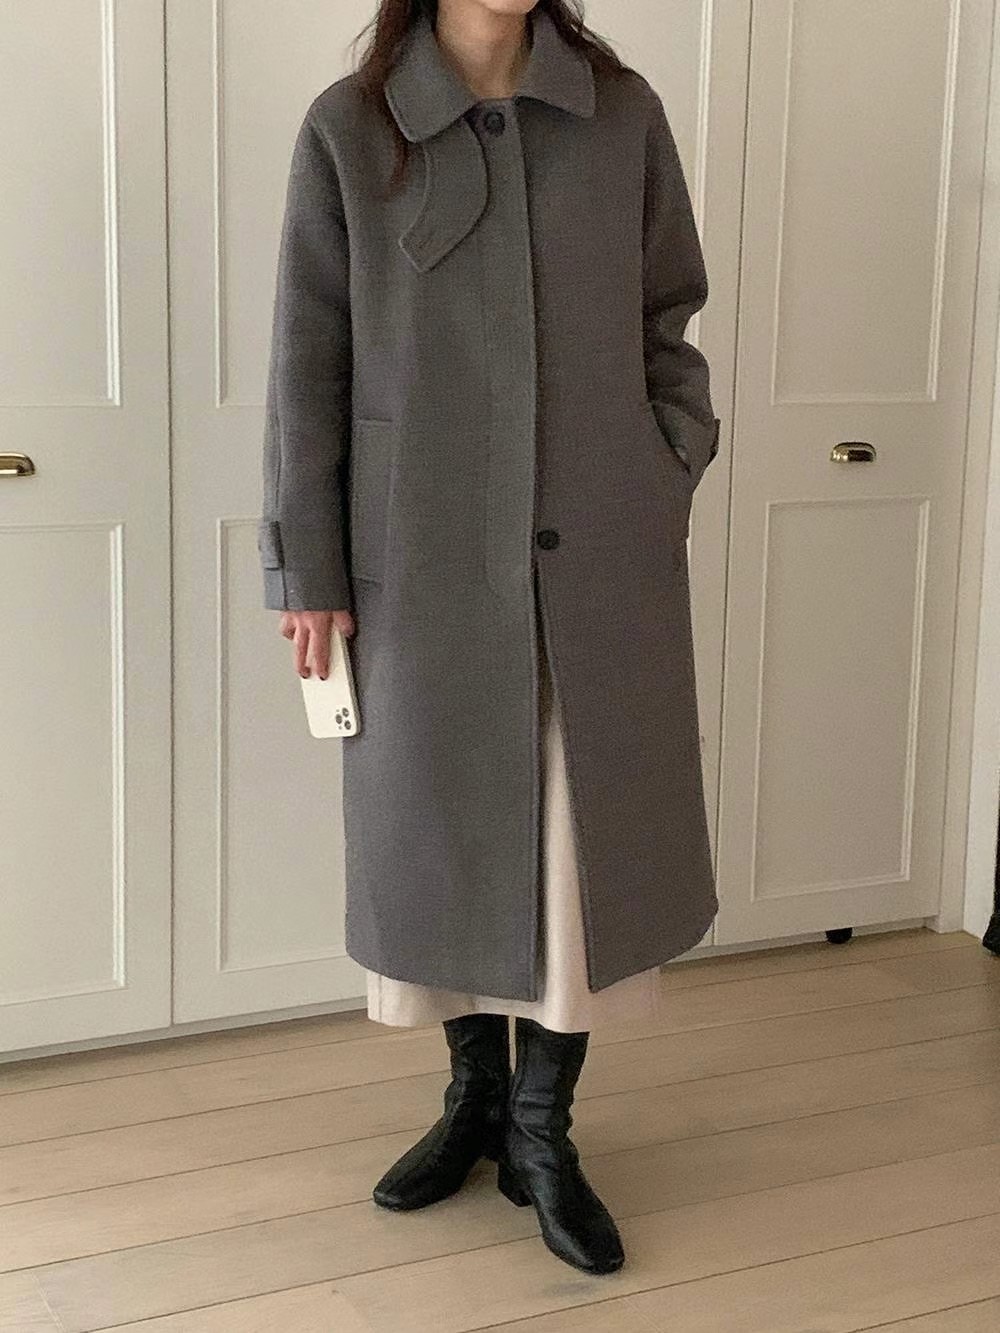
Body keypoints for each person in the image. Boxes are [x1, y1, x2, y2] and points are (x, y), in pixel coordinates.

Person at [258, 0, 721, 1277]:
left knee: (581, 843)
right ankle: (470, 1100)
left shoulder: (619, 116)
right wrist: (308, 566)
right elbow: (308, 364)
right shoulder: (349, 130)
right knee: (440, 831)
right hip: (415, 561)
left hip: (597, 554)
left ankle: (540, 1131)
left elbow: (668, 314)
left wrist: (664, 465)